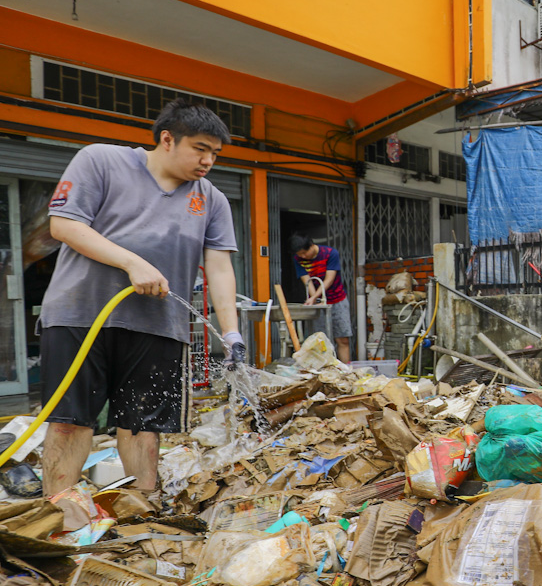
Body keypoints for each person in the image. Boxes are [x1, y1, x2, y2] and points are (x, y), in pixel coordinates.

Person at [39, 99, 244, 497]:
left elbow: (219, 267)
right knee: (69, 421)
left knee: (143, 425)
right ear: (167, 139)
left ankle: (143, 512)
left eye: (215, 153)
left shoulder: (212, 199)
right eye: (200, 149)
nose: (208, 161)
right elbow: (64, 225)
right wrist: (133, 263)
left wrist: (231, 333)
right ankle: (59, 511)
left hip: (158, 324)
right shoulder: (101, 161)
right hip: (79, 315)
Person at [290, 234, 352, 363]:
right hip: (318, 304)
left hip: (338, 300)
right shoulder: (298, 259)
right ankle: (325, 373)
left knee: (342, 339)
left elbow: (329, 280)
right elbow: (307, 280)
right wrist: (314, 299)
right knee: (320, 342)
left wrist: (314, 297)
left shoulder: (330, 253)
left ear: (311, 245)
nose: (302, 256)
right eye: (299, 254)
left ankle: (346, 371)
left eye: (304, 253)